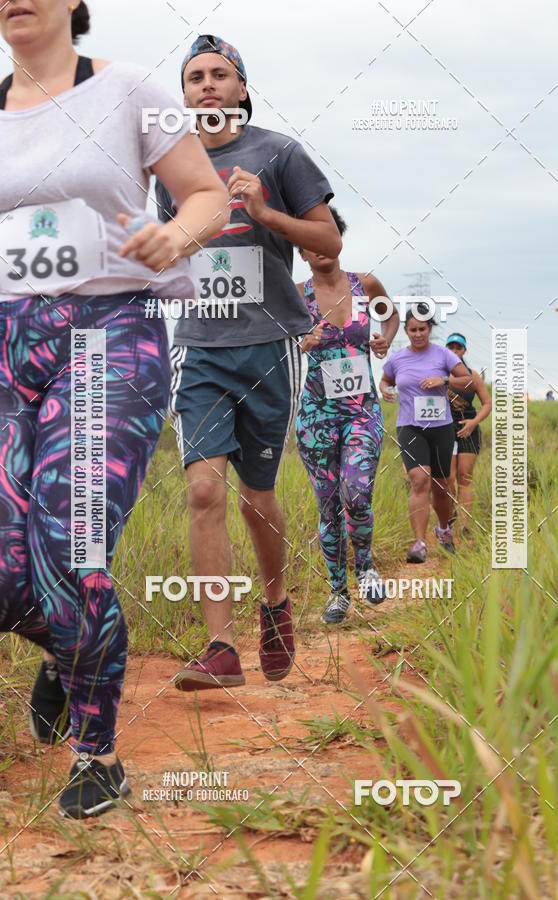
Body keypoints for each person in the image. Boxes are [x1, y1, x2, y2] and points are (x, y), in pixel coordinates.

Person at [0, 1, 228, 819]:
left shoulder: (130, 89)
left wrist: (176, 237)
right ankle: (65, 648)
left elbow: (207, 197)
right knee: (7, 570)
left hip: (108, 335)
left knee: (72, 544)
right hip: (8, 342)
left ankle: (97, 753)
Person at [155, 36, 341, 689]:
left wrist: (264, 212)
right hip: (200, 346)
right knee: (204, 489)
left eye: (219, 74)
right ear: (184, 93)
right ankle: (221, 647)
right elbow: (172, 255)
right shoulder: (172, 167)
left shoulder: (280, 153)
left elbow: (327, 239)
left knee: (257, 498)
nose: (207, 84)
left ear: (240, 88)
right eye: (195, 77)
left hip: (268, 344)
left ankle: (276, 603)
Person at [295, 208, 399, 624]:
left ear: (338, 239)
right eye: (310, 243)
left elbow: (391, 314)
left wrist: (385, 339)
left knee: (356, 493)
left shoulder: (365, 284)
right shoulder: (296, 294)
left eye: (328, 237)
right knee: (328, 508)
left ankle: (366, 567)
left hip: (361, 411)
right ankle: (338, 592)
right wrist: (302, 341)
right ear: (302, 252)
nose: (321, 248)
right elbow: (275, 343)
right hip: (316, 417)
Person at [379, 305, 472, 562]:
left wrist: (444, 380)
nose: (418, 334)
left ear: (430, 328)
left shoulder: (443, 355)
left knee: (442, 486)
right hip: (410, 427)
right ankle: (419, 543)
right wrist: (385, 389)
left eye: (422, 329)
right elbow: (385, 380)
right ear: (406, 331)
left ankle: (443, 529)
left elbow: (468, 381)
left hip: (441, 428)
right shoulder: (397, 359)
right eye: (413, 330)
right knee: (420, 480)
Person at [445, 333, 491, 531]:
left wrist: (474, 422)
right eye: (451, 347)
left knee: (465, 477)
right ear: (445, 349)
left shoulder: (472, 375)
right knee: (448, 477)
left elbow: (487, 403)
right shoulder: (439, 373)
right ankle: (450, 514)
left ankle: (465, 525)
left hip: (468, 428)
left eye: (458, 348)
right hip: (445, 429)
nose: (454, 351)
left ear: (464, 350)